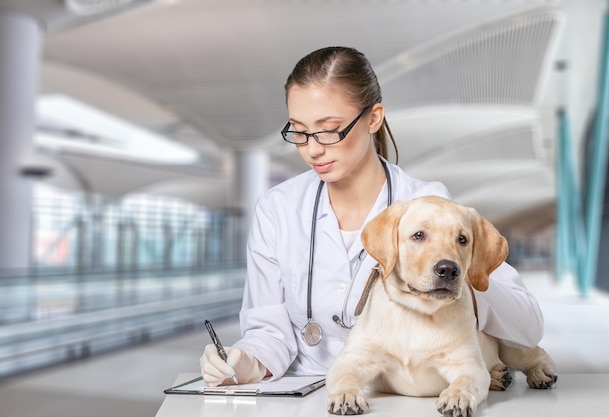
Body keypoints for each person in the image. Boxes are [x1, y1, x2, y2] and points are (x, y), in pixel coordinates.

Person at [200, 46, 544, 386]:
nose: (313, 148)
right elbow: (268, 331)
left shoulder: (426, 204)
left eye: (329, 129)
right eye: (299, 132)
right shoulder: (278, 208)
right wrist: (245, 361)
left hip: (396, 398)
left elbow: (527, 326)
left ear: (373, 118)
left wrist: (462, 273)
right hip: (306, 398)